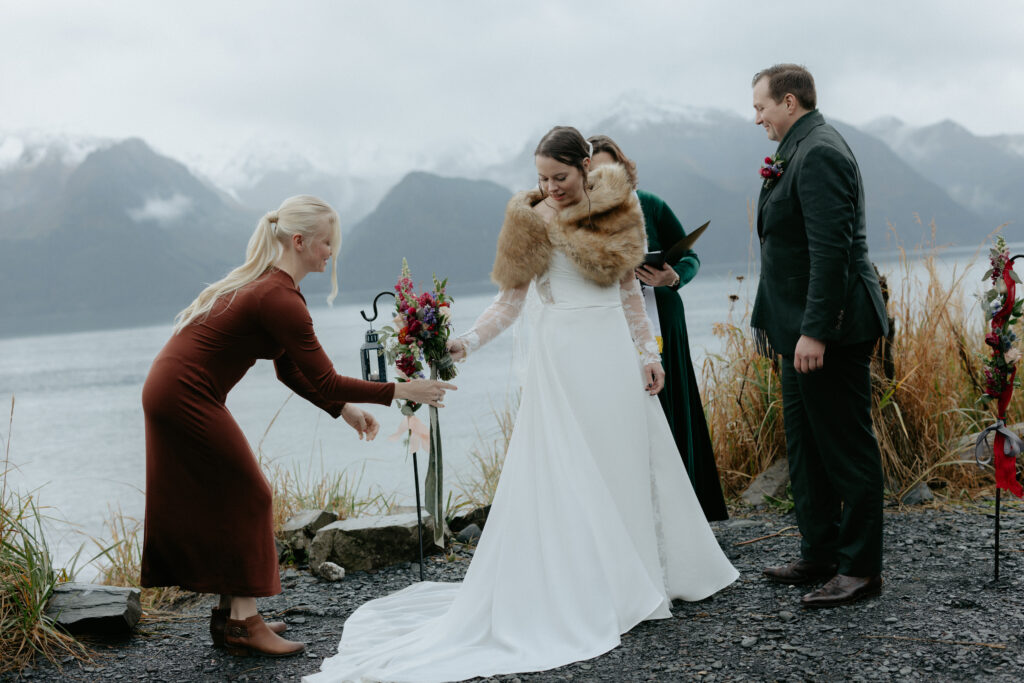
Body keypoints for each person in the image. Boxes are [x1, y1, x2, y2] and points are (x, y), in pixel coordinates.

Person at [305, 128, 737, 683]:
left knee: (626, 462)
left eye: (560, 177)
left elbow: (631, 292)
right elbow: (510, 303)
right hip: (561, 362)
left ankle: (642, 575)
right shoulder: (530, 219)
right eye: (541, 179)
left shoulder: (617, 209)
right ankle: (591, 583)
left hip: (612, 355)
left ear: (585, 168)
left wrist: (646, 352)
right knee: (570, 470)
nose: (550, 188)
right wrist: (469, 340)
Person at [140, 195, 455, 658]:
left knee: (232, 493)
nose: (331, 253)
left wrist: (342, 410)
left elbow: (290, 371)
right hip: (183, 392)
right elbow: (325, 377)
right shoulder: (278, 296)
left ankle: (231, 618)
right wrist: (401, 391)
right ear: (301, 240)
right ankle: (246, 622)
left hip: (174, 388)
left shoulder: (274, 290)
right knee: (252, 493)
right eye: (327, 243)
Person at [750, 65, 889, 608]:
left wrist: (815, 332)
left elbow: (832, 253)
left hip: (830, 329)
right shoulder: (796, 148)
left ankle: (860, 570)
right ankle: (821, 552)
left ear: (789, 101)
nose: (756, 117)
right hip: (796, 329)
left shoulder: (822, 151)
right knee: (807, 446)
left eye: (761, 106)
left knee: (846, 446)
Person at [588, 134, 728, 522]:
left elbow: (692, 257)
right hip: (613, 319)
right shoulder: (581, 217)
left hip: (663, 312)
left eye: (609, 169)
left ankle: (688, 508)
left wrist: (671, 277)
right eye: (593, 172)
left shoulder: (650, 204)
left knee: (671, 402)